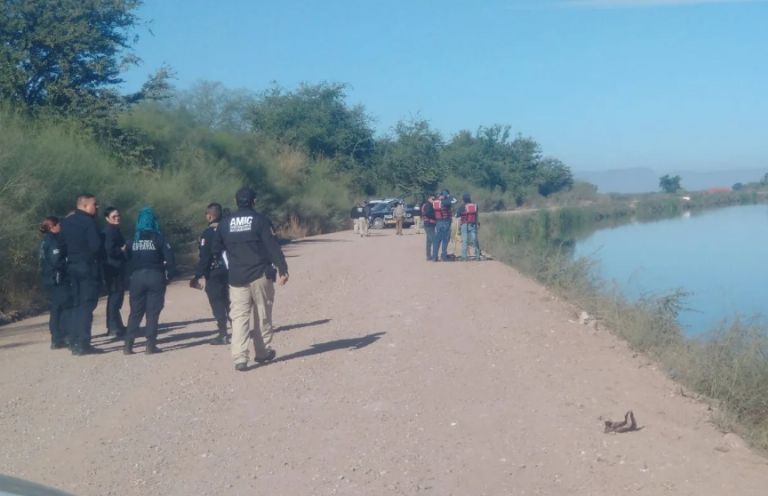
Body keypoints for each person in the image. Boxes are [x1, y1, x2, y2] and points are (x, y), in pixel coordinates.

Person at [213, 187, 288, 371]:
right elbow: (272, 246)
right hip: (259, 274)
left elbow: (215, 249)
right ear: (254, 201)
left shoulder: (225, 223)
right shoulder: (260, 220)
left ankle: (240, 357)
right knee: (262, 313)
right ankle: (262, 352)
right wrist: (282, 268)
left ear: (236, 201)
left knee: (239, 317)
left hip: (236, 277)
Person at [123, 207, 176, 355]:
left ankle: (128, 345)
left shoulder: (132, 240)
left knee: (135, 312)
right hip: (155, 276)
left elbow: (126, 259)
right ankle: (150, 345)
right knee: (152, 312)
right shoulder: (159, 239)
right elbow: (170, 261)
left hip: (137, 278)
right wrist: (169, 277)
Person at [59, 194, 103, 355]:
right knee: (86, 305)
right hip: (87, 266)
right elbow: (96, 246)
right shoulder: (89, 222)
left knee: (76, 304)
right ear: (84, 206)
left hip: (71, 266)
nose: (97, 207)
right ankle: (83, 343)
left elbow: (61, 245)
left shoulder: (66, 222)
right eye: (94, 204)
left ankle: (72, 340)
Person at [190, 203, 230, 345]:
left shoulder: (207, 233)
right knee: (228, 299)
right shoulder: (227, 229)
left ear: (210, 216)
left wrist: (197, 276)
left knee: (216, 300)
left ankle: (223, 333)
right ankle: (238, 329)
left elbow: (205, 257)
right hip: (228, 270)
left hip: (213, 272)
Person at [38, 217, 71, 349]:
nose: (61, 227)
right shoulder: (53, 241)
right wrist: (68, 264)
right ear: (52, 227)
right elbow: (56, 261)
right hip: (56, 279)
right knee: (62, 308)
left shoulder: (45, 241)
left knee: (56, 308)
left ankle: (57, 338)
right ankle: (61, 336)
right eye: (59, 225)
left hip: (49, 279)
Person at [102, 207, 128, 337]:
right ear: (107, 219)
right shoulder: (109, 232)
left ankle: (117, 324)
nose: (117, 218)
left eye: (118, 215)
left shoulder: (115, 230)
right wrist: (122, 250)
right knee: (115, 297)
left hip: (117, 267)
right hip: (113, 268)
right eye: (114, 216)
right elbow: (109, 250)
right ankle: (113, 327)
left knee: (117, 297)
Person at [456, 192, 481, 260]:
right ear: (470, 198)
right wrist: (478, 223)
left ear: (463, 199)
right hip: (473, 224)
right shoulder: (475, 205)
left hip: (464, 224)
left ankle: (464, 257)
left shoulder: (461, 207)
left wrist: (458, 228)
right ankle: (478, 255)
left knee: (464, 240)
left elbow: (458, 217)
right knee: (475, 239)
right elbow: (476, 215)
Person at [431, 190, 453, 262]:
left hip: (438, 222)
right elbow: (454, 201)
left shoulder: (434, 203)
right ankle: (443, 256)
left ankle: (434, 257)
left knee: (437, 240)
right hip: (445, 221)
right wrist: (448, 196)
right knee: (445, 240)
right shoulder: (445, 202)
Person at [422, 195, 436, 260]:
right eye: (432, 198)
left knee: (429, 241)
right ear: (429, 198)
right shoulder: (428, 205)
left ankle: (428, 256)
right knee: (434, 240)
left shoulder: (427, 205)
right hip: (429, 224)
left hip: (430, 224)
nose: (434, 200)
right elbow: (427, 213)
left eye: (434, 199)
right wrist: (435, 216)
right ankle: (434, 256)